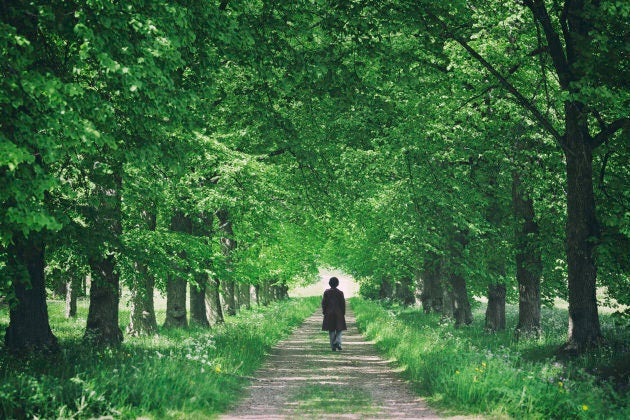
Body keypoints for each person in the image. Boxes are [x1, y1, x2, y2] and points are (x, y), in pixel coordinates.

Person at [321, 276, 347, 351]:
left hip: (329, 313)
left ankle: (333, 346)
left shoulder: (326, 292)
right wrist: (343, 313)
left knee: (331, 330)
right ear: (337, 284)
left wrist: (324, 311)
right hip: (339, 313)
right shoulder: (340, 293)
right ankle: (338, 342)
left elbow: (324, 303)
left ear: (329, 283)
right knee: (339, 329)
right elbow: (343, 304)